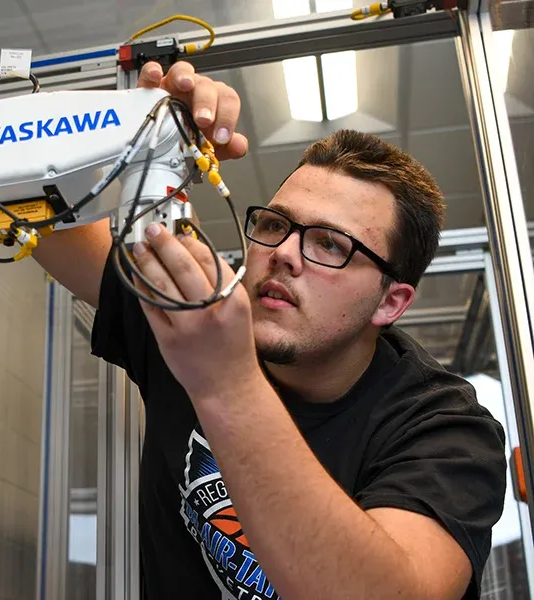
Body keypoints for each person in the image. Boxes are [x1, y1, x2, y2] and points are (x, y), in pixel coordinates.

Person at [33, 60, 508, 600]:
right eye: (276, 225)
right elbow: (35, 213)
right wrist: (126, 127)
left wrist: (226, 383)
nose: (282, 253)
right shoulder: (187, 324)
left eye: (330, 243)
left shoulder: (444, 428)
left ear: (390, 302)